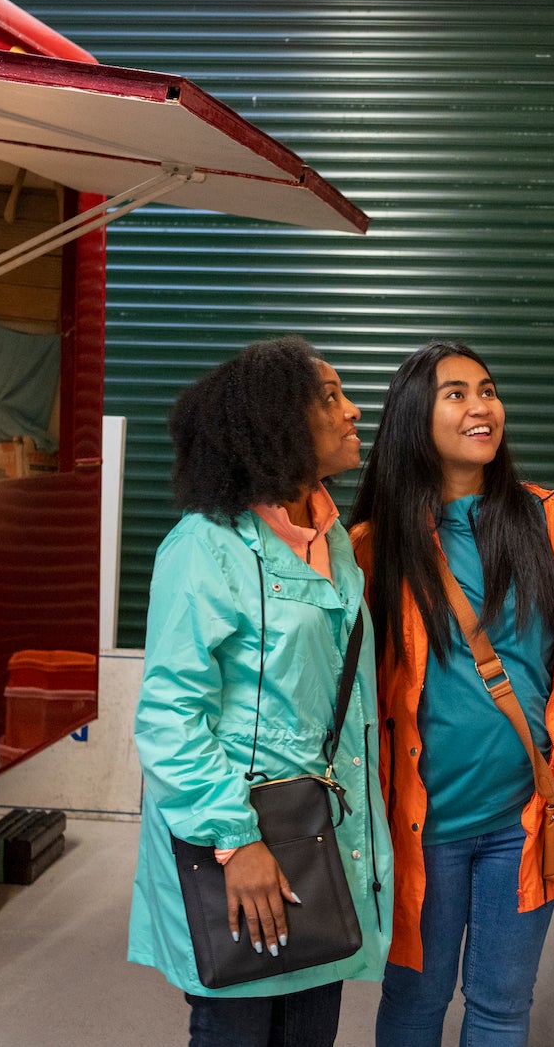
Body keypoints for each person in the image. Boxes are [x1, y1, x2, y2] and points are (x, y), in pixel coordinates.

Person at [350, 340, 554, 1046]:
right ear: (416, 417)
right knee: (417, 1000)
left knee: (502, 1005)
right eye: (456, 393)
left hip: (528, 813)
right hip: (425, 824)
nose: (481, 406)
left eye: (487, 389)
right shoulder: (374, 546)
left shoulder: (549, 524)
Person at [128, 337, 391, 1047]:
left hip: (316, 842)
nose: (353, 410)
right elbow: (169, 718)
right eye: (331, 397)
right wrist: (234, 842)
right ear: (279, 421)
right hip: (242, 843)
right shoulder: (204, 546)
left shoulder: (330, 538)